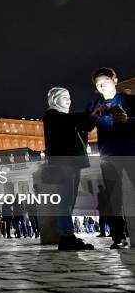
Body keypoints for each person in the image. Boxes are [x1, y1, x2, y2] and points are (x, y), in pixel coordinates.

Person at [86, 68, 135, 249]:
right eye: (98, 83)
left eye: (105, 80)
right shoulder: (93, 105)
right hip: (108, 155)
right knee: (114, 196)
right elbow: (85, 126)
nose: (102, 85)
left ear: (115, 80)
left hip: (131, 152)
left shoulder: (129, 101)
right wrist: (93, 116)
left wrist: (127, 119)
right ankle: (118, 236)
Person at [44, 86, 98, 250]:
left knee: (70, 199)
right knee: (65, 199)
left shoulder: (68, 118)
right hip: (63, 163)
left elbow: (87, 126)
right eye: (65, 97)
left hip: (73, 162)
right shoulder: (52, 115)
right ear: (54, 100)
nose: (69, 100)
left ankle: (68, 235)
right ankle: (66, 236)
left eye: (69, 97)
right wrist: (87, 115)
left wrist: (94, 115)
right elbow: (70, 120)